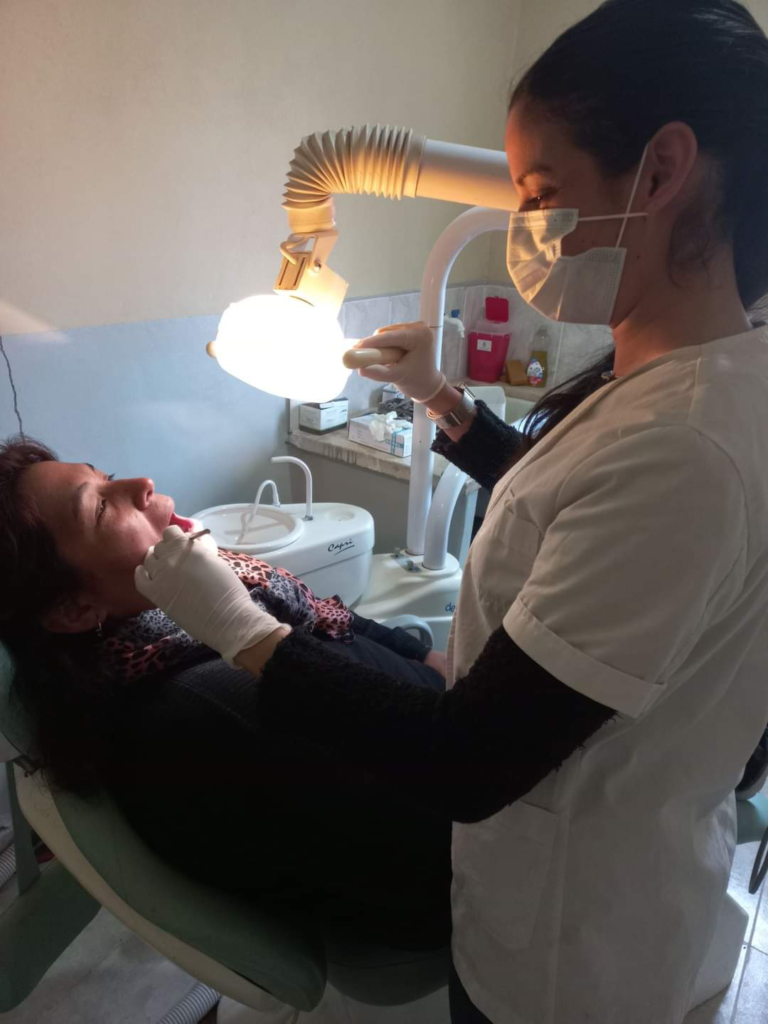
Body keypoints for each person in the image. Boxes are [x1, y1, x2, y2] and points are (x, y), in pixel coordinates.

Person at [135, 2, 768, 1021]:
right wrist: (444, 401)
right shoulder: (698, 378)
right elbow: (582, 506)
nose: (528, 229)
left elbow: (468, 759)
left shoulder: (685, 444)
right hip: (587, 895)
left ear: (660, 171)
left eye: (542, 193)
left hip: (567, 955)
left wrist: (239, 627)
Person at [0, 436, 452, 950]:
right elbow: (437, 804)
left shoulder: (187, 605)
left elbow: (332, 620)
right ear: (75, 610)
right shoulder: (207, 705)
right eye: (100, 506)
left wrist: (423, 657)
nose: (141, 483)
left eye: (106, 476)